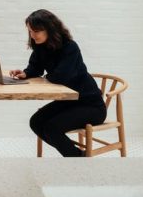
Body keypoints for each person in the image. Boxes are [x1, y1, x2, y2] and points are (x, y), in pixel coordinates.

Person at [9, 9, 107, 157]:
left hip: (90, 105)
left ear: (50, 29)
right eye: (30, 31)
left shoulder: (70, 47)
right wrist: (25, 73)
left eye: (36, 31)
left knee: (51, 128)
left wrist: (48, 76)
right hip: (68, 101)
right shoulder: (40, 46)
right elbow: (36, 67)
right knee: (35, 122)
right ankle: (76, 155)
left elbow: (61, 77)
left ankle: (78, 159)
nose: (32, 35)